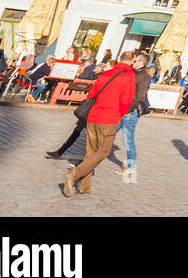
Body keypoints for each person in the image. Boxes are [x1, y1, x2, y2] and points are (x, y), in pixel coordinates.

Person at [63, 51, 137, 197]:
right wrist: (121, 113)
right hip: (109, 117)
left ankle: (84, 186)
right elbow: (126, 101)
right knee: (103, 151)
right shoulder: (129, 76)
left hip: (93, 115)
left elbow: (91, 94)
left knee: (91, 152)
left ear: (120, 59)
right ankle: (73, 174)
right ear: (132, 61)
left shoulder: (105, 74)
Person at [113, 51, 151, 175]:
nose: (132, 63)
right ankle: (94, 156)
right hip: (123, 109)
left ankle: (130, 166)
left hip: (131, 112)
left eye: (135, 61)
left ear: (141, 63)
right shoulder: (132, 72)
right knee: (109, 131)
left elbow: (140, 96)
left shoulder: (144, 76)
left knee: (127, 140)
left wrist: (128, 110)